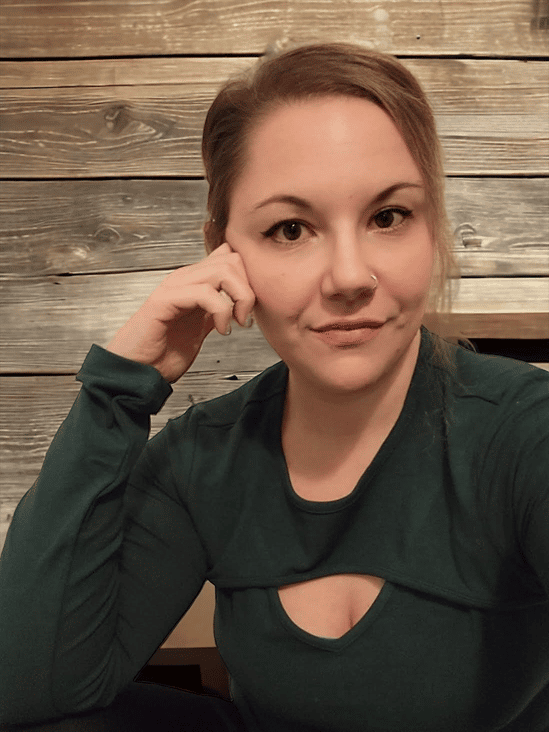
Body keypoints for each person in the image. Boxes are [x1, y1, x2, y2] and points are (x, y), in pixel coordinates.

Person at [1, 42, 548, 732]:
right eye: (291, 229)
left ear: (431, 227)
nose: (348, 277)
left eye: (387, 217)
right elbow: (25, 690)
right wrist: (117, 390)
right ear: (223, 254)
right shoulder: (203, 458)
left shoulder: (523, 432)